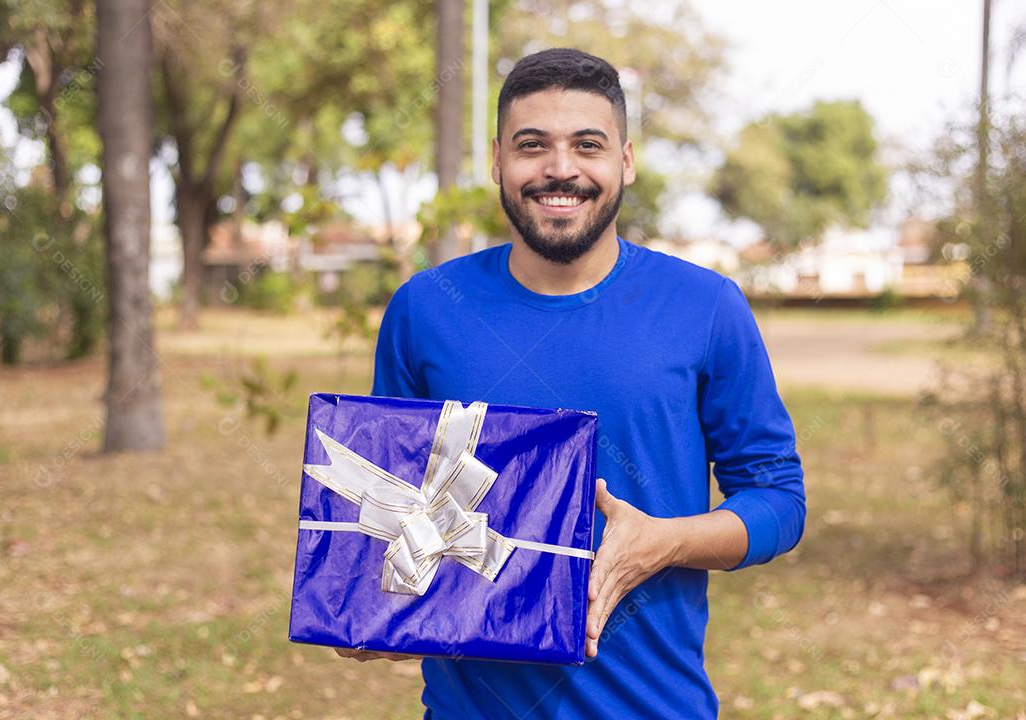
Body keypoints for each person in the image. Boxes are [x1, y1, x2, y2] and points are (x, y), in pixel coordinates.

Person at [338, 47, 806, 719]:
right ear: (498, 160)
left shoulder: (705, 307)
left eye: (587, 145)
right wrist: (373, 607)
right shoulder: (425, 309)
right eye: (533, 146)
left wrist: (664, 542)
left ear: (626, 160)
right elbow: (389, 512)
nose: (560, 168)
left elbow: (779, 498)